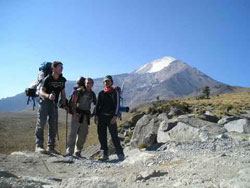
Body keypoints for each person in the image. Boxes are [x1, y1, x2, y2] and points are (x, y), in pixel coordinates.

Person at [35, 61, 67, 154]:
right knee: (41, 122)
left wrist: (64, 102)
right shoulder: (47, 79)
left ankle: (51, 147)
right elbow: (41, 91)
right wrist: (48, 96)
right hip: (45, 102)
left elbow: (63, 92)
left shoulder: (62, 80)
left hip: (54, 103)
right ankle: (39, 146)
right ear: (53, 68)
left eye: (62, 67)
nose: (61, 68)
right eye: (59, 67)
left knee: (53, 125)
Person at [94, 75, 125, 161]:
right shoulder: (101, 93)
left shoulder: (115, 92)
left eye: (108, 81)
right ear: (103, 83)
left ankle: (120, 153)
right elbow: (97, 106)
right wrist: (96, 115)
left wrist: (115, 116)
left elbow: (117, 105)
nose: (106, 83)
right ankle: (104, 154)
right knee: (102, 136)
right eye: (105, 81)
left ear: (111, 82)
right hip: (101, 117)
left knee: (114, 136)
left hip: (111, 117)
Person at [65, 77, 96, 158]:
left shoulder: (92, 94)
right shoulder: (79, 91)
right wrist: (74, 114)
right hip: (77, 114)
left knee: (83, 133)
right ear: (84, 83)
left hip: (86, 116)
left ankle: (78, 151)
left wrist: (93, 114)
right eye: (87, 83)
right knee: (73, 133)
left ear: (92, 84)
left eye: (90, 83)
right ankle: (69, 151)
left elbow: (96, 104)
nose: (88, 84)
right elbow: (73, 103)